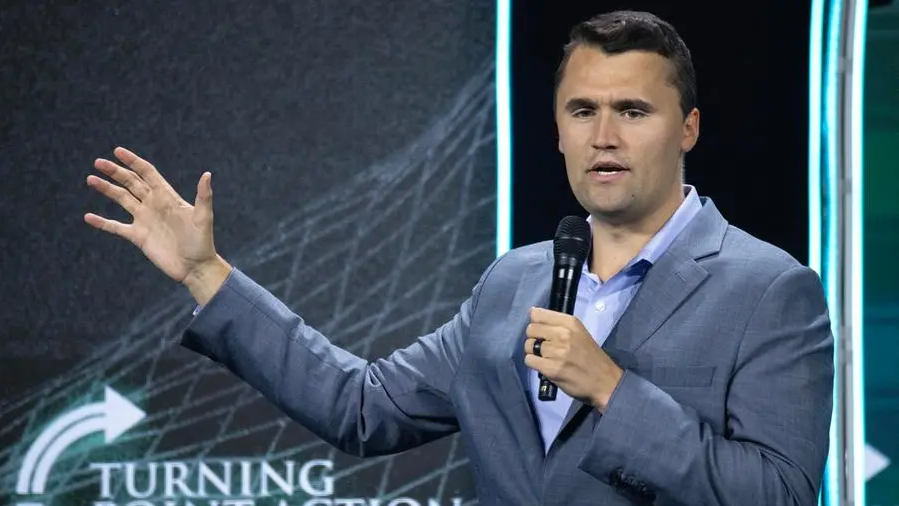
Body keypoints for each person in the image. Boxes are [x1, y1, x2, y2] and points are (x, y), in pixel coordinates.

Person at [84, 10, 834, 506]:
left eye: (632, 111)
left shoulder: (770, 290)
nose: (604, 135)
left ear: (688, 128)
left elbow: (781, 493)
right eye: (583, 111)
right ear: (558, 132)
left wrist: (613, 389)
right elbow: (362, 408)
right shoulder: (513, 282)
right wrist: (205, 273)